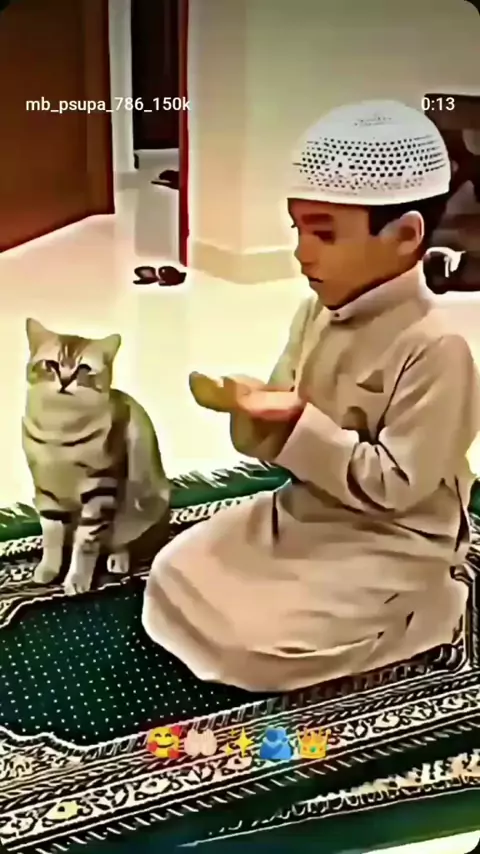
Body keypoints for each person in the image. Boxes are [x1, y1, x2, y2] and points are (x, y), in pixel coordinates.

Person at [142, 100, 480, 693]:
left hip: (394, 540)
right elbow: (281, 436)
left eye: (324, 234)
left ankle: (432, 610)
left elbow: (396, 488)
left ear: (405, 236)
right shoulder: (314, 313)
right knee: (174, 570)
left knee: (255, 647)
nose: (303, 252)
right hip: (308, 514)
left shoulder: (438, 349)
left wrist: (298, 422)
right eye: (298, 230)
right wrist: (253, 410)